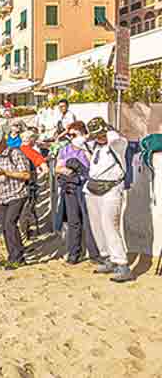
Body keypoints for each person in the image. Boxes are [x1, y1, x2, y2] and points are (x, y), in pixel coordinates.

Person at [83, 117, 131, 283]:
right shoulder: (96, 145)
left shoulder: (117, 144)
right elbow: (80, 141)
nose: (98, 137)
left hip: (111, 188)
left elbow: (116, 138)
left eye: (100, 134)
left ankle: (122, 264)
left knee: (110, 225)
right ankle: (107, 257)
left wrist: (108, 131)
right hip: (93, 188)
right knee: (97, 226)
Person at [54, 122, 99, 265]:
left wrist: (84, 148)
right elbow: (58, 167)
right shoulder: (65, 150)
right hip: (70, 187)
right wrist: (69, 172)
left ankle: (94, 254)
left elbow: (94, 166)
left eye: (74, 135)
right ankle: (74, 253)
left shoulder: (89, 148)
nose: (71, 138)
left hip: (85, 188)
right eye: (70, 135)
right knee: (73, 221)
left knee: (88, 221)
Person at [0, 128, 32, 270]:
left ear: (2, 142)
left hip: (17, 194)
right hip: (1, 196)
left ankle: (17, 257)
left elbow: (26, 175)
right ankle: (13, 255)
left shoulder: (15, 153)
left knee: (10, 224)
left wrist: (6, 173)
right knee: (5, 228)